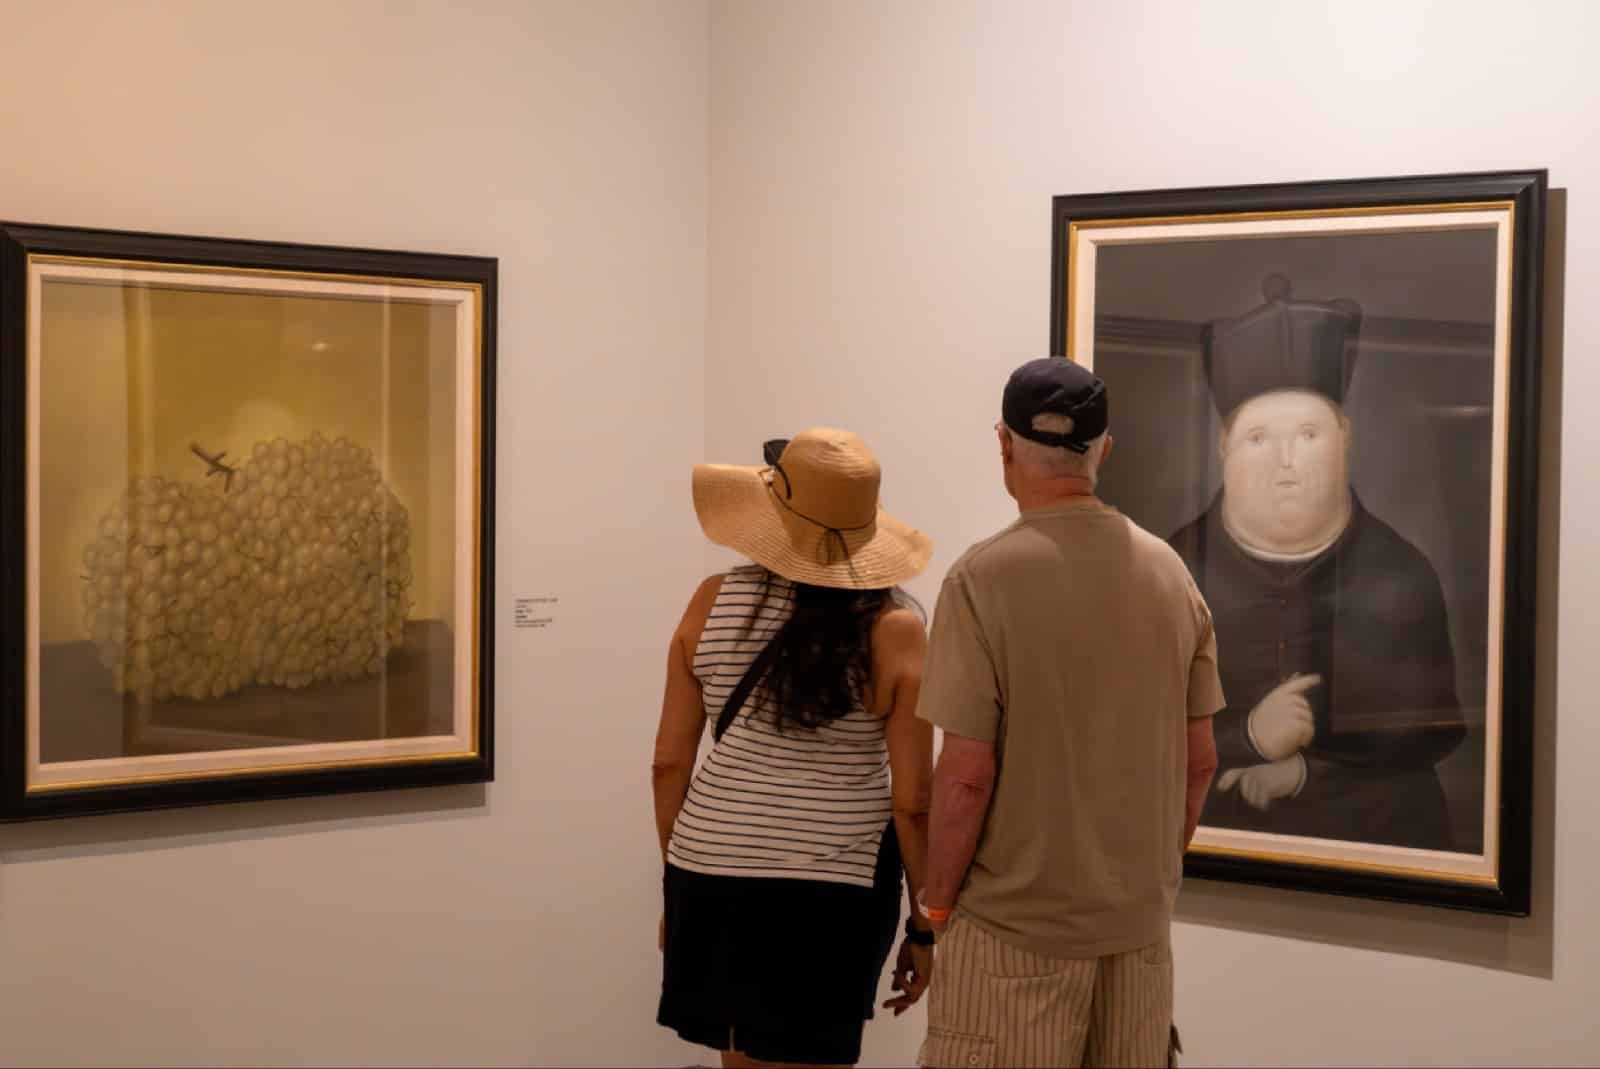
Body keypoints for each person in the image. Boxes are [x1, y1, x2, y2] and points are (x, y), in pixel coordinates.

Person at [915, 358, 1223, 1069]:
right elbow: (1201, 760)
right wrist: (1144, 876)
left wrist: (935, 909)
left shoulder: (979, 579)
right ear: (1103, 449)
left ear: (1003, 444)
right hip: (1138, 944)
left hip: (1010, 940)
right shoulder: (1171, 576)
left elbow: (964, 779)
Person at [651, 427, 939, 1069]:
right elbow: (913, 801)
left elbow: (668, 763)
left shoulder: (711, 601)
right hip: (827, 889)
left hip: (708, 871)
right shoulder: (895, 629)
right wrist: (925, 923)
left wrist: (676, 885)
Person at [1167, 276, 1466, 851]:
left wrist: (1306, 771)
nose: (1286, 461)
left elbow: (1429, 738)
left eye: (1307, 433)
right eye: (1259, 437)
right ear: (1224, 446)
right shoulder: (1170, 569)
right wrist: (1247, 736)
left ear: (1344, 438)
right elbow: (1120, 728)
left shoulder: (1400, 574)